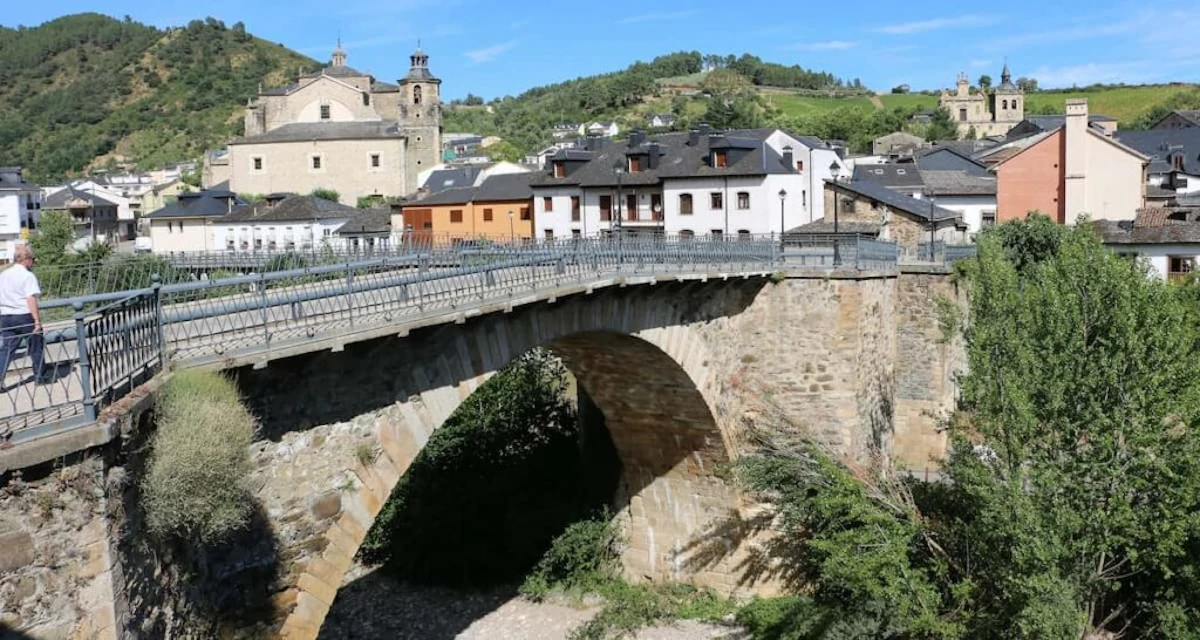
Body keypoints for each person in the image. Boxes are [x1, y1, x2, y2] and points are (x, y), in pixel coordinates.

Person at [0, 245, 47, 385]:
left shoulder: (3, 275)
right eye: (32, 259)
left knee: (6, 350)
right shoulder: (28, 275)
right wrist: (37, 321)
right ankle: (40, 377)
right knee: (36, 346)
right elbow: (30, 299)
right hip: (24, 315)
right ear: (25, 260)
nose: (33, 262)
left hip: (6, 316)